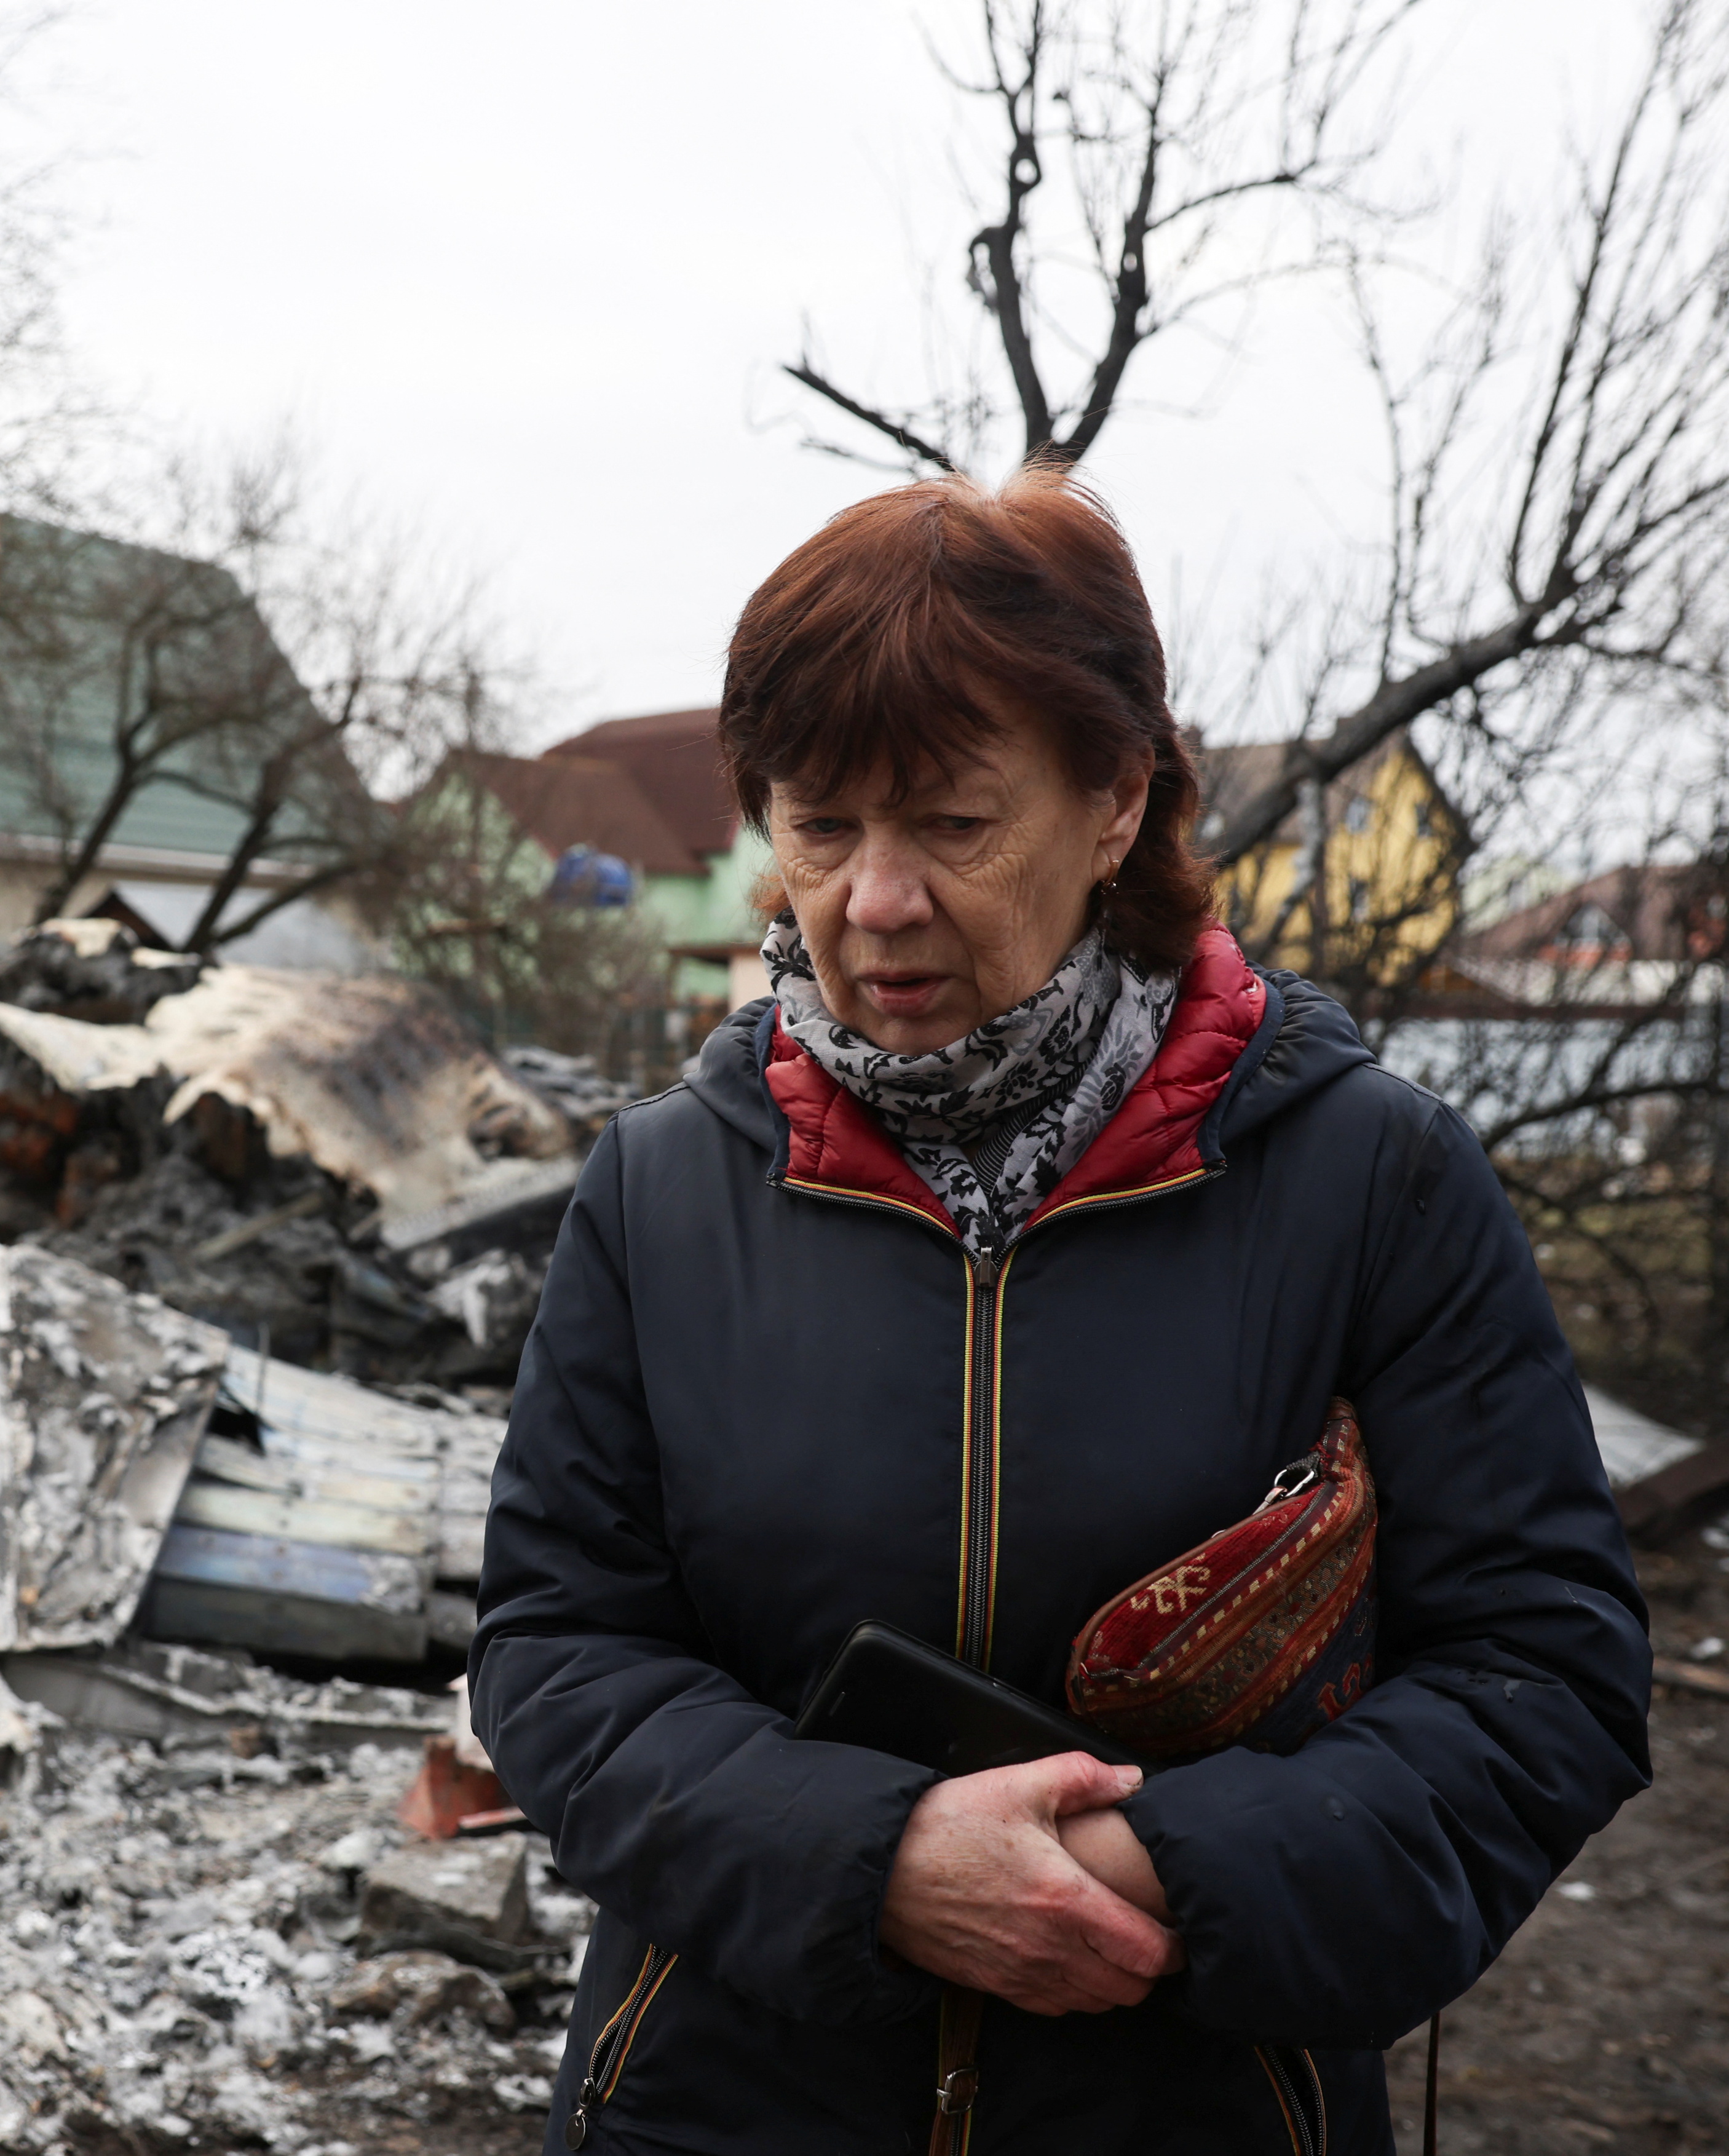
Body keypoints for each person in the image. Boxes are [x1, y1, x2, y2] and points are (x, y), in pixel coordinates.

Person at [470, 465, 1652, 2154]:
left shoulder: (1366, 1179)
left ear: (1114, 803)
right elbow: (556, 1648)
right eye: (818, 826)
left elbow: (1541, 1673)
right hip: (717, 2107)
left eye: (953, 825)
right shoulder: (664, 1188)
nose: (874, 898)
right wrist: (873, 1862)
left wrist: (1157, 1867)